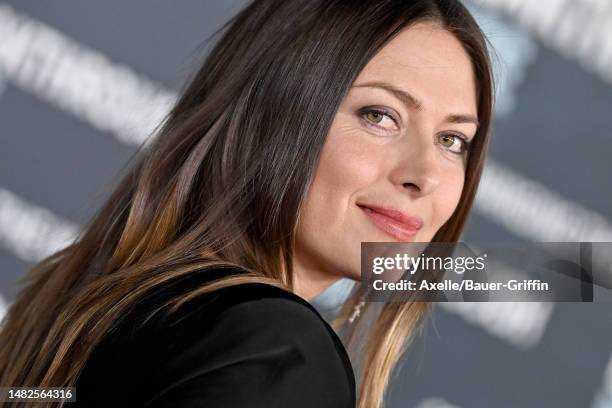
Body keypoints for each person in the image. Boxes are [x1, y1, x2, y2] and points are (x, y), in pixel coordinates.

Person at [0, 0, 493, 407]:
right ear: (270, 112)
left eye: (453, 141)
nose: (424, 175)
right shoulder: (274, 350)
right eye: (380, 116)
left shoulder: (82, 299)